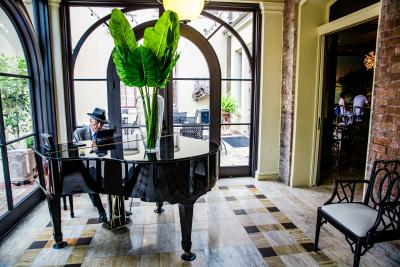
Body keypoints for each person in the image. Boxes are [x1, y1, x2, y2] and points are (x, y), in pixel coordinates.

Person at [73, 107, 109, 223]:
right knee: (90, 181)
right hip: (85, 166)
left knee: (115, 175)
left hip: (101, 165)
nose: (99, 126)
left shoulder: (105, 133)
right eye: (96, 122)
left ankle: (118, 209)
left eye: (101, 123)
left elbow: (108, 152)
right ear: (90, 120)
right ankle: (101, 211)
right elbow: (77, 155)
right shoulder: (79, 133)